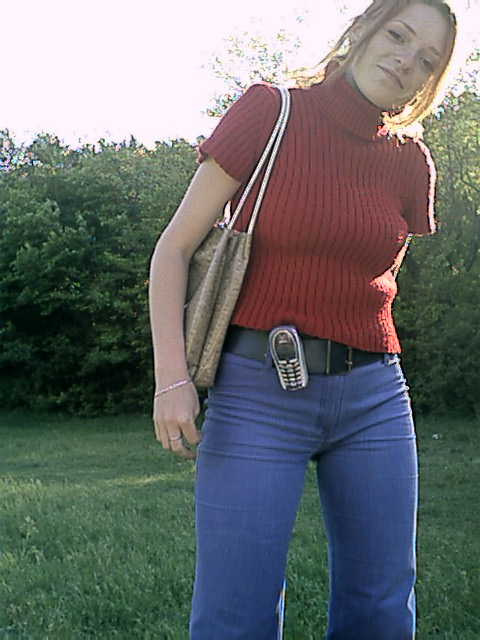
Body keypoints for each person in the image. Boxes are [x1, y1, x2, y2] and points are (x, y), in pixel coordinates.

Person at [149, 1, 460, 638]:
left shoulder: (410, 160)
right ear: (363, 29)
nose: (406, 60)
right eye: (398, 35)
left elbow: (372, 282)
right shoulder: (271, 111)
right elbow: (174, 249)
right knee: (235, 613)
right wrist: (172, 380)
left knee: (381, 609)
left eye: (427, 60)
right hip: (257, 390)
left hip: (374, 395)